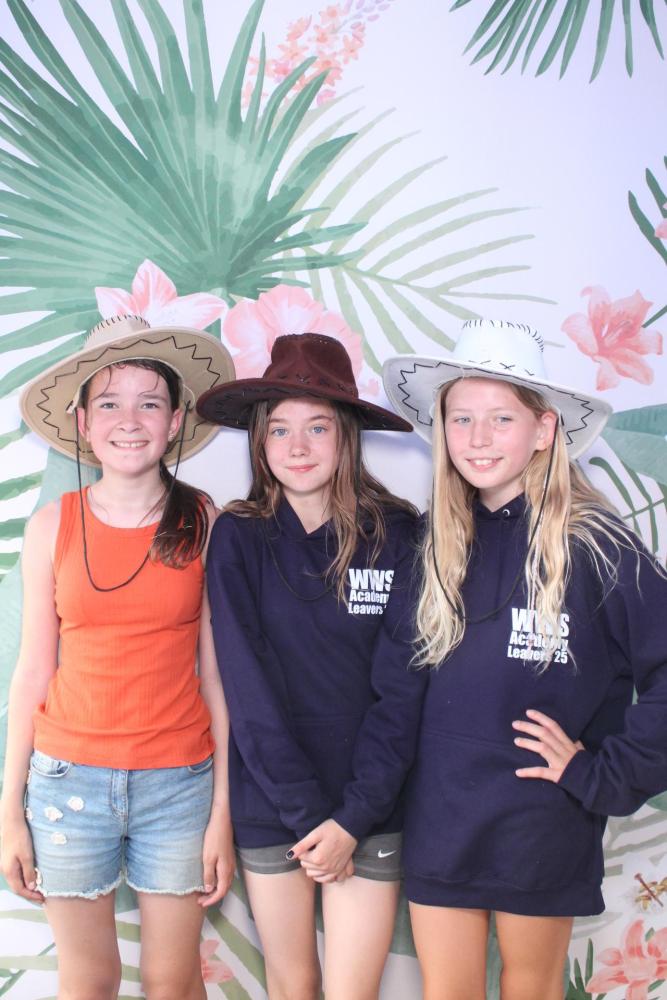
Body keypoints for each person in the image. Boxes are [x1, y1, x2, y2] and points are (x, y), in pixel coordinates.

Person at [382, 318, 667, 1000]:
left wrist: (601, 774)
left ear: (543, 430)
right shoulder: (431, 543)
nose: (478, 438)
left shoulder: (597, 544)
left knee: (530, 989)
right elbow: (393, 692)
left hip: (540, 820)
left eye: (501, 418)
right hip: (441, 815)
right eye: (461, 418)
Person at [1, 314, 236, 1000]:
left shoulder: (204, 521)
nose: (128, 421)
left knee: (172, 981)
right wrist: (9, 810)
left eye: (149, 403)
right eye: (108, 403)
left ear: (175, 421)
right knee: (89, 981)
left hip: (179, 785)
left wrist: (222, 811)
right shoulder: (51, 525)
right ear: (82, 422)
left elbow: (218, 676)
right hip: (65, 784)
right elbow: (32, 672)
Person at [197, 332, 426, 1000]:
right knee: (292, 984)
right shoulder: (238, 535)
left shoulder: (398, 533)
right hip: (274, 802)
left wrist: (353, 818)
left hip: (372, 804)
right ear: (260, 441)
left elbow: (402, 688)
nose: (297, 446)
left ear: (347, 434)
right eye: (280, 429)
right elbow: (245, 686)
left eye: (317, 427)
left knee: (353, 990)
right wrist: (304, 814)